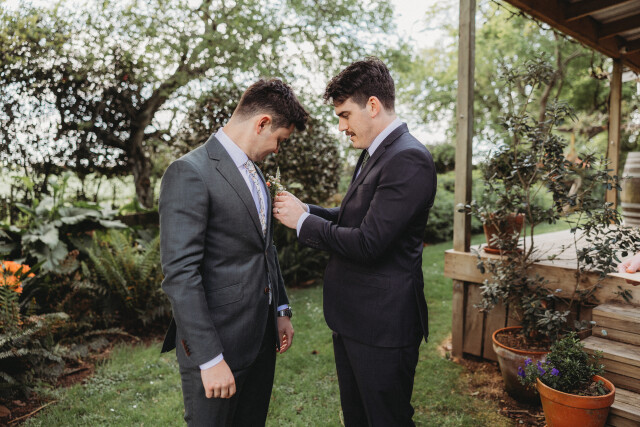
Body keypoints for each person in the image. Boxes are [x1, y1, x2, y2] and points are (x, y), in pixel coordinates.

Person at [273, 57, 437, 426]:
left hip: (383, 327)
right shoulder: (375, 153)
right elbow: (354, 216)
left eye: (345, 115)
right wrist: (307, 210)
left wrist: (303, 223)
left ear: (373, 105)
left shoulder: (408, 158)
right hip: (355, 321)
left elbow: (368, 242)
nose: (341, 126)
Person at [159, 78, 308, 426]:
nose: (277, 150)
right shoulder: (189, 172)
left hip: (260, 340)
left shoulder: (255, 172)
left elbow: (264, 248)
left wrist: (281, 309)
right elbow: (181, 274)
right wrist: (210, 359)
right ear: (262, 123)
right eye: (279, 140)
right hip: (218, 346)